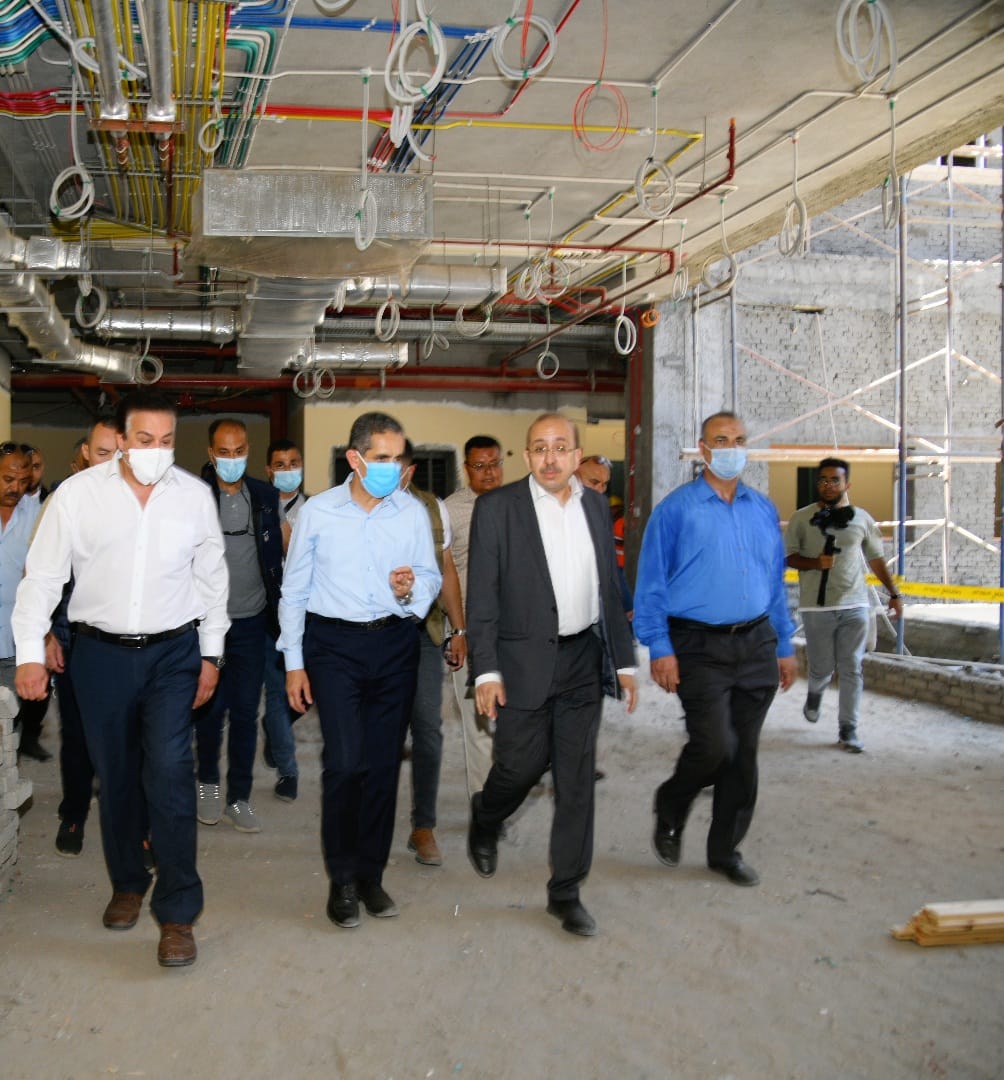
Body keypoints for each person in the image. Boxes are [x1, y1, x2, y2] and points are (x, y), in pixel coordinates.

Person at [13, 389, 229, 968]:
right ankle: (129, 881)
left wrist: (211, 655)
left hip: (173, 654)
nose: (156, 450)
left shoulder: (193, 497)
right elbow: (43, 577)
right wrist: (30, 651)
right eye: (144, 439)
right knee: (116, 777)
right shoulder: (77, 496)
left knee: (170, 771)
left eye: (167, 440)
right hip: (100, 656)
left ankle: (178, 912)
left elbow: (211, 579)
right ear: (121, 440)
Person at [465, 413, 637, 938]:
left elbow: (609, 587)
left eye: (561, 447)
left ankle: (566, 891)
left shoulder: (594, 506)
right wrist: (486, 671)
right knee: (519, 768)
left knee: (575, 779)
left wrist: (624, 661)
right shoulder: (498, 508)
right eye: (540, 448)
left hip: (583, 659)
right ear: (527, 455)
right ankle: (486, 816)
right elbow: (483, 596)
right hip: (521, 662)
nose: (550, 457)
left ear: (576, 454)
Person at [278, 411, 440, 929]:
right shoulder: (319, 512)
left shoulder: (411, 513)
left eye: (397, 458)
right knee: (345, 764)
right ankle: (342, 879)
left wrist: (409, 590)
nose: (392, 467)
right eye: (382, 457)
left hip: (395, 644)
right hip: (334, 647)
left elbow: (430, 576)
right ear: (355, 458)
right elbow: (293, 590)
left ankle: (371, 875)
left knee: (383, 765)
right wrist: (294, 663)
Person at [634, 411, 797, 889]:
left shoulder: (762, 509)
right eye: (721, 440)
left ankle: (725, 851)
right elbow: (651, 584)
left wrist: (784, 643)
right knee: (713, 746)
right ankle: (672, 802)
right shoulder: (676, 510)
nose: (732, 448)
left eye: (740, 439)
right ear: (703, 449)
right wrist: (659, 647)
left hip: (756, 641)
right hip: (698, 644)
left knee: (743, 756)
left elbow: (773, 582)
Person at [194, 419, 282, 832]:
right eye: (224, 452)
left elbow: (277, 552)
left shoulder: (265, 496)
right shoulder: (195, 497)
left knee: (246, 713)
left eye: (239, 451)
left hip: (251, 623)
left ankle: (239, 797)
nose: (232, 459)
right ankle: (208, 785)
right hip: (207, 625)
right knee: (210, 713)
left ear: (248, 450)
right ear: (211, 454)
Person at [784, 457, 902, 753]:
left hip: (855, 605)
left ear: (846, 484)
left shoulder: (861, 519)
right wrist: (816, 563)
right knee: (822, 668)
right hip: (816, 608)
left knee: (851, 667)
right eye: (823, 480)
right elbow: (788, 558)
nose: (828, 485)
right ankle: (815, 692)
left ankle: (848, 729)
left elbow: (876, 559)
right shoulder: (801, 518)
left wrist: (894, 594)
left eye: (834, 480)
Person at [45, 417, 120, 855]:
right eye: (102, 452)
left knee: (130, 739)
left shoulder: (147, 503)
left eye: (118, 453)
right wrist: (47, 637)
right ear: (86, 455)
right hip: (74, 642)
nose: (110, 462)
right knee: (76, 738)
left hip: (130, 648)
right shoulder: (64, 500)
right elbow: (42, 575)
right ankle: (73, 813)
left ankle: (134, 825)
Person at [400, 439, 467, 867]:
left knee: (427, 727)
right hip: (372, 636)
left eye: (399, 465)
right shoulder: (351, 509)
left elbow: (446, 570)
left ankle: (423, 825)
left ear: (410, 470)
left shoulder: (432, 509)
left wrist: (459, 629)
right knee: (378, 731)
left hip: (423, 631)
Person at [443, 436, 504, 800]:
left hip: (512, 633)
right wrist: (457, 631)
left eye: (494, 464)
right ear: (466, 469)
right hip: (468, 631)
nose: (488, 473)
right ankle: (485, 807)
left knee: (514, 722)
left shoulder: (518, 506)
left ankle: (504, 795)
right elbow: (443, 575)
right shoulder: (450, 511)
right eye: (479, 466)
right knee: (479, 723)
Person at [260, 438, 308, 800]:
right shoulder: (258, 508)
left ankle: (273, 727)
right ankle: (288, 771)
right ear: (269, 471)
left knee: (308, 693)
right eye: (280, 464)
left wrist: (291, 544)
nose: (288, 470)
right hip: (267, 614)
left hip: (308, 613)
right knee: (278, 692)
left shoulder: (317, 510)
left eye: (293, 463)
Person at [0, 444, 39, 748]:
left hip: (14, 642)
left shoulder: (38, 515)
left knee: (7, 727)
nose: (16, 488)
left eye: (23, 481)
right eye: (8, 479)